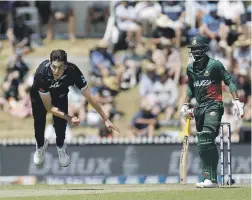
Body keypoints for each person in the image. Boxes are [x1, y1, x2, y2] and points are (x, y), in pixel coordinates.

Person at [30, 49, 119, 167]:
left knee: (60, 126)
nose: (56, 71)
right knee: (39, 122)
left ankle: (61, 147)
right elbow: (49, 107)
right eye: (54, 67)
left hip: (59, 93)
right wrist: (69, 118)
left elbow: (90, 97)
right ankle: (40, 146)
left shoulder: (73, 71)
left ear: (66, 66)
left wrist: (105, 119)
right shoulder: (42, 74)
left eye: (60, 67)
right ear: (50, 64)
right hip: (40, 97)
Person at [180, 36, 245, 188]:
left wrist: (236, 101)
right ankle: (209, 178)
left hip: (214, 105)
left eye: (197, 49)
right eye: (192, 50)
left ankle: (212, 180)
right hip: (199, 107)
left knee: (207, 136)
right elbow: (191, 86)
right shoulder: (190, 68)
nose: (195, 52)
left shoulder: (214, 65)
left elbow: (229, 80)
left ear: (204, 49)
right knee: (203, 142)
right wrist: (185, 104)